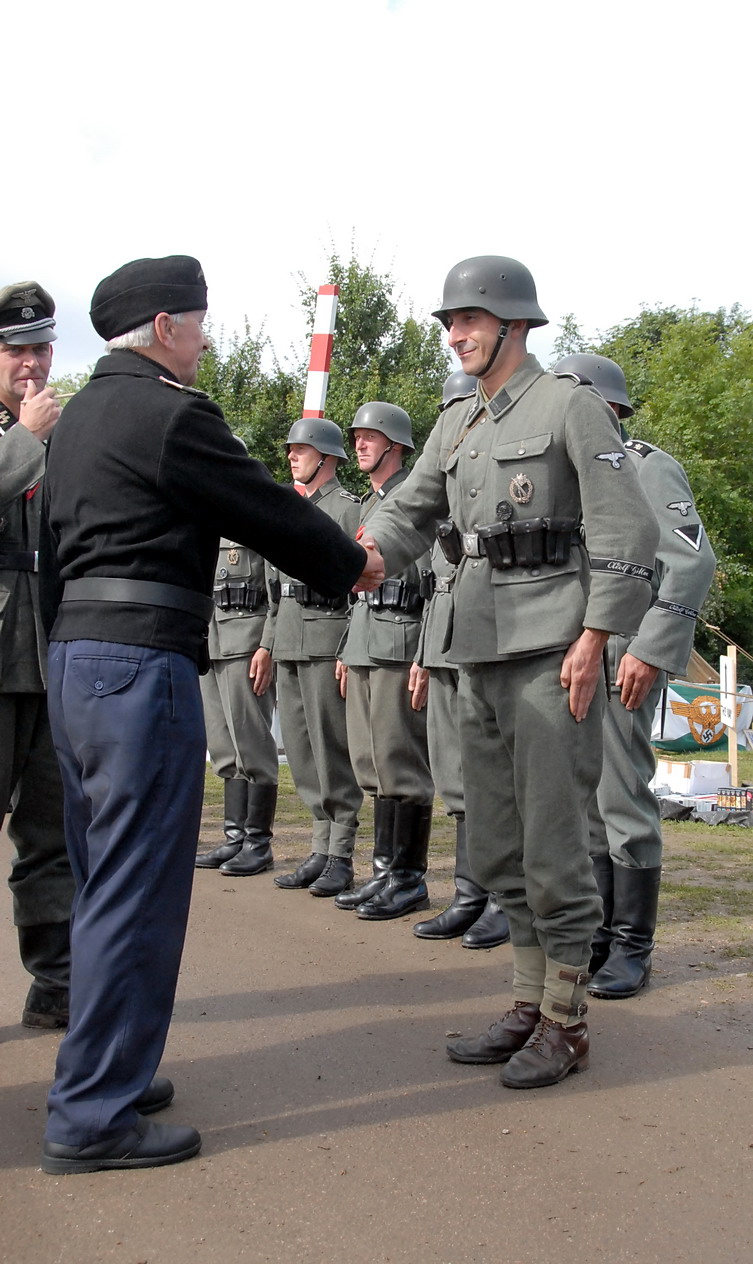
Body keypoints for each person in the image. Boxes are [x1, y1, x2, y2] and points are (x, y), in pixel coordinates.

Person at [37, 255, 381, 1174]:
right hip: (141, 660)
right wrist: (352, 564)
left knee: (99, 879)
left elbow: (48, 560)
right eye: (196, 321)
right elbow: (263, 506)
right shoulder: (170, 413)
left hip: (75, 660)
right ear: (162, 329)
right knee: (137, 892)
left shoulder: (71, 424)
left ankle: (108, 1067)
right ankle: (93, 1115)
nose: (204, 337)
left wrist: (60, 659)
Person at [356, 256, 659, 1087]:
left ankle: (565, 1018)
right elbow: (408, 509)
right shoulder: (456, 424)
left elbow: (626, 533)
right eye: (449, 322)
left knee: (555, 842)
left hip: (550, 655)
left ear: (514, 324)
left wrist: (597, 636)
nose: (456, 334)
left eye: (471, 320)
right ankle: (527, 999)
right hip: (474, 652)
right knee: (494, 842)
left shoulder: (571, 407)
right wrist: (362, 551)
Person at [554, 353, 716, 998]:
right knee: (586, 799)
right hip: (578, 653)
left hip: (626, 652)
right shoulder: (575, 478)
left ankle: (632, 946)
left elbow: (691, 563)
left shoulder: (645, 467)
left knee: (621, 796)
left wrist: (650, 649)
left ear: (605, 408)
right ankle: (597, 935)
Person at [413, 373, 510, 950]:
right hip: (446, 640)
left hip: (491, 635)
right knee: (455, 777)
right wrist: (426, 654)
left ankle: (503, 896)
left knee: (497, 780)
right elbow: (437, 584)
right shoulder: (444, 492)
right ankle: (470, 893)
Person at [0, 282, 74, 1029]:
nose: (31, 362)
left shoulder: (61, 433)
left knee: (52, 831)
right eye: (17, 349)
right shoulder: (28, 435)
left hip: (52, 658)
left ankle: (55, 981)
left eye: (41, 349)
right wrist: (23, 438)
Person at [335, 402, 435, 922]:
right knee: (371, 764)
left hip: (401, 640)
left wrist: (424, 654)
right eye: (356, 437)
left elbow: (434, 584)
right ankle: (383, 872)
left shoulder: (414, 499)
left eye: (370, 437)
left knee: (402, 764)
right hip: (367, 640)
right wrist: (347, 649)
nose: (360, 445)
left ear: (396, 444)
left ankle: (408, 878)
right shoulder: (368, 506)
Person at [272, 418, 363, 897]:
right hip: (289, 638)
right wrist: (269, 643)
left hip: (328, 638)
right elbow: (277, 586)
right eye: (290, 449)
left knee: (332, 751)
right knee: (302, 751)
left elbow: (360, 590)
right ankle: (319, 847)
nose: (292, 456)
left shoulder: (348, 512)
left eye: (302, 450)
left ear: (327, 457)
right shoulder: (292, 507)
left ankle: (341, 854)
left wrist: (348, 647)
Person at [195, 518, 279, 877]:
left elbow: (277, 589)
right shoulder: (198, 518)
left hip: (246, 643)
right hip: (209, 641)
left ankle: (258, 842)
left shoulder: (254, 514)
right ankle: (235, 836)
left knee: (252, 744)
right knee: (224, 746)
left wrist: (268, 644)